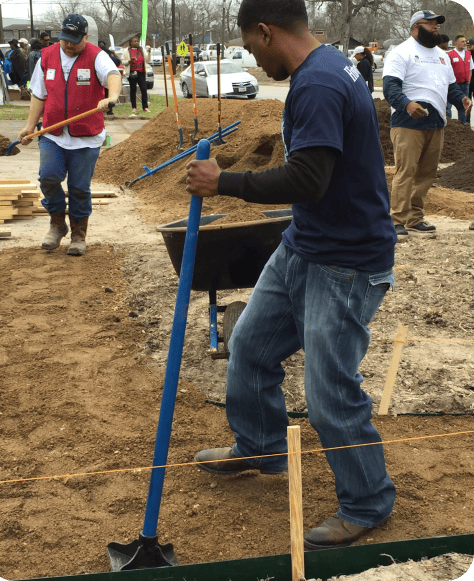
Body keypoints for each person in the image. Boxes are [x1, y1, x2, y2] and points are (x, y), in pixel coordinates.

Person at [187, 0, 398, 551]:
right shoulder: (323, 68)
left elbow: (309, 179)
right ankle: (258, 446)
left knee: (329, 390)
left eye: (252, 48)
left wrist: (223, 182)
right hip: (305, 245)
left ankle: (368, 502)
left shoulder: (320, 84)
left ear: (265, 31)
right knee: (251, 346)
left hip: (348, 262)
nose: (255, 63)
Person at [17, 13, 122, 256]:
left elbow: (114, 75)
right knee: (49, 177)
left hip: (86, 136)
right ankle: (57, 224)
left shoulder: (97, 56)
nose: (69, 44)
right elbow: (38, 95)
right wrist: (30, 126)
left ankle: (78, 233)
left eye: (75, 40)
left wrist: (112, 96)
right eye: (65, 39)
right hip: (53, 133)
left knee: (79, 188)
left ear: (86, 37)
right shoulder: (47, 56)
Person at [382, 10, 472, 236]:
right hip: (407, 122)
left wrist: (461, 99)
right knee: (406, 171)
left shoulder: (442, 56)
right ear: (415, 27)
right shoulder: (402, 53)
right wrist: (407, 104)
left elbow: (450, 86)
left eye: (436, 24)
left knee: (426, 174)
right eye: (430, 24)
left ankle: (414, 217)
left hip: (436, 122)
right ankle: (397, 220)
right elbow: (390, 87)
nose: (436, 27)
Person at [446, 35, 473, 125]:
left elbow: (471, 68)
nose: (465, 43)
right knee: (448, 105)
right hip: (454, 85)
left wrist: (469, 80)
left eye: (465, 41)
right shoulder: (449, 54)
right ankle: (448, 125)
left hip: (465, 84)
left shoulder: (468, 53)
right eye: (462, 41)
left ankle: (463, 124)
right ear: (456, 43)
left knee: (464, 105)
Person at [122, 36, 151, 114]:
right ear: (131, 43)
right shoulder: (126, 51)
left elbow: (147, 60)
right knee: (133, 90)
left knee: (144, 89)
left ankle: (145, 107)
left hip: (141, 72)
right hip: (132, 73)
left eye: (137, 41)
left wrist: (149, 53)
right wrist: (129, 61)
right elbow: (123, 62)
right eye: (135, 41)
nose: (136, 42)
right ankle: (134, 107)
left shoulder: (142, 50)